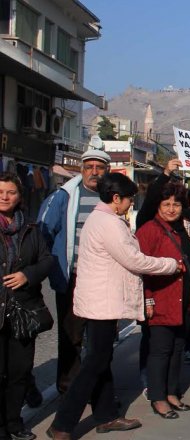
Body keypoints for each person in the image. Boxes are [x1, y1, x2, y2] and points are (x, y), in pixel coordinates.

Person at [48, 173, 181, 439]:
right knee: (95, 362)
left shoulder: (105, 220)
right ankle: (62, 423)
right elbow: (134, 260)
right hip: (102, 303)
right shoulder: (108, 223)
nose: (131, 203)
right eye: (130, 198)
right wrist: (170, 264)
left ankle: (107, 415)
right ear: (116, 198)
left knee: (101, 359)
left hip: (101, 301)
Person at [37, 148, 110, 394]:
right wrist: (46, 269)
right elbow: (43, 234)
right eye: (89, 167)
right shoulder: (64, 197)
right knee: (71, 337)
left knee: (100, 339)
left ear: (106, 171)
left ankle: (97, 391)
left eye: (99, 167)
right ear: (81, 169)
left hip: (101, 280)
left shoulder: (111, 197)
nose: (94, 172)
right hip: (73, 278)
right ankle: (68, 390)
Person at [136, 181, 190, 419]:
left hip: (183, 300)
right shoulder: (149, 230)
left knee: (177, 349)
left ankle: (172, 392)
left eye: (176, 204)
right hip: (161, 300)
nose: (172, 209)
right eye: (167, 204)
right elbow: (140, 269)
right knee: (160, 351)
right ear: (158, 205)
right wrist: (148, 300)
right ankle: (158, 397)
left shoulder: (185, 226)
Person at [0, 172, 52, 440]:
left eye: (10, 192)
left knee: (19, 372)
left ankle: (13, 423)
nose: (5, 197)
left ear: (19, 196)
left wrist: (27, 275)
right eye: (0, 192)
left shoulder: (30, 228)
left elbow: (46, 260)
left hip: (23, 310)